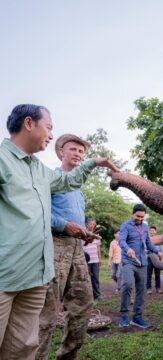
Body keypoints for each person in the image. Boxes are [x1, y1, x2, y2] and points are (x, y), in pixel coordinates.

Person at [0, 105, 118, 360]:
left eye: (82, 151)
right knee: (44, 319)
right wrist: (64, 225)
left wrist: (95, 162)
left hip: (43, 266)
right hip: (22, 264)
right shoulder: (7, 162)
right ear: (29, 123)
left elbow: (69, 182)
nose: (51, 134)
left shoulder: (40, 171)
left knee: (24, 344)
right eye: (49, 127)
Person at [36, 134, 95, 359]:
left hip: (76, 249)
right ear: (61, 151)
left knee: (83, 304)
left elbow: (75, 222)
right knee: (47, 312)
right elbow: (38, 211)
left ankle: (67, 355)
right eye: (73, 149)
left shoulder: (78, 190)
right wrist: (64, 225)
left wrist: (84, 234)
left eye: (82, 152)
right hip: (54, 245)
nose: (78, 154)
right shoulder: (51, 178)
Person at [118, 204, 163, 329]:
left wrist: (157, 251)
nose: (140, 219)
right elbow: (121, 241)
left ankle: (137, 318)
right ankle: (124, 316)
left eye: (142, 217)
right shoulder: (126, 226)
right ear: (132, 214)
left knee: (141, 290)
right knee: (127, 284)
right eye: (138, 216)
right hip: (129, 261)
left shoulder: (145, 227)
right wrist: (128, 249)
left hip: (143, 262)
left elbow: (149, 243)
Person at [83, 218, 102, 300]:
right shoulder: (83, 233)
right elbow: (82, 246)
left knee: (95, 278)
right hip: (86, 260)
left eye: (93, 224)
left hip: (95, 260)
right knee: (87, 278)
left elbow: (98, 248)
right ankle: (88, 295)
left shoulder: (97, 235)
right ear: (87, 224)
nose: (92, 226)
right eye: (91, 224)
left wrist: (100, 259)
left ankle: (97, 295)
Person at [146, 226, 163, 294]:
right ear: (149, 231)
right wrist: (148, 252)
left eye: (153, 230)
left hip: (158, 259)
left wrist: (162, 258)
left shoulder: (159, 239)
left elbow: (162, 250)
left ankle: (158, 288)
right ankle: (148, 288)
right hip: (149, 259)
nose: (152, 232)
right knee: (149, 274)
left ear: (155, 231)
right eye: (150, 230)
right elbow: (144, 249)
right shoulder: (147, 239)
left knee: (157, 274)